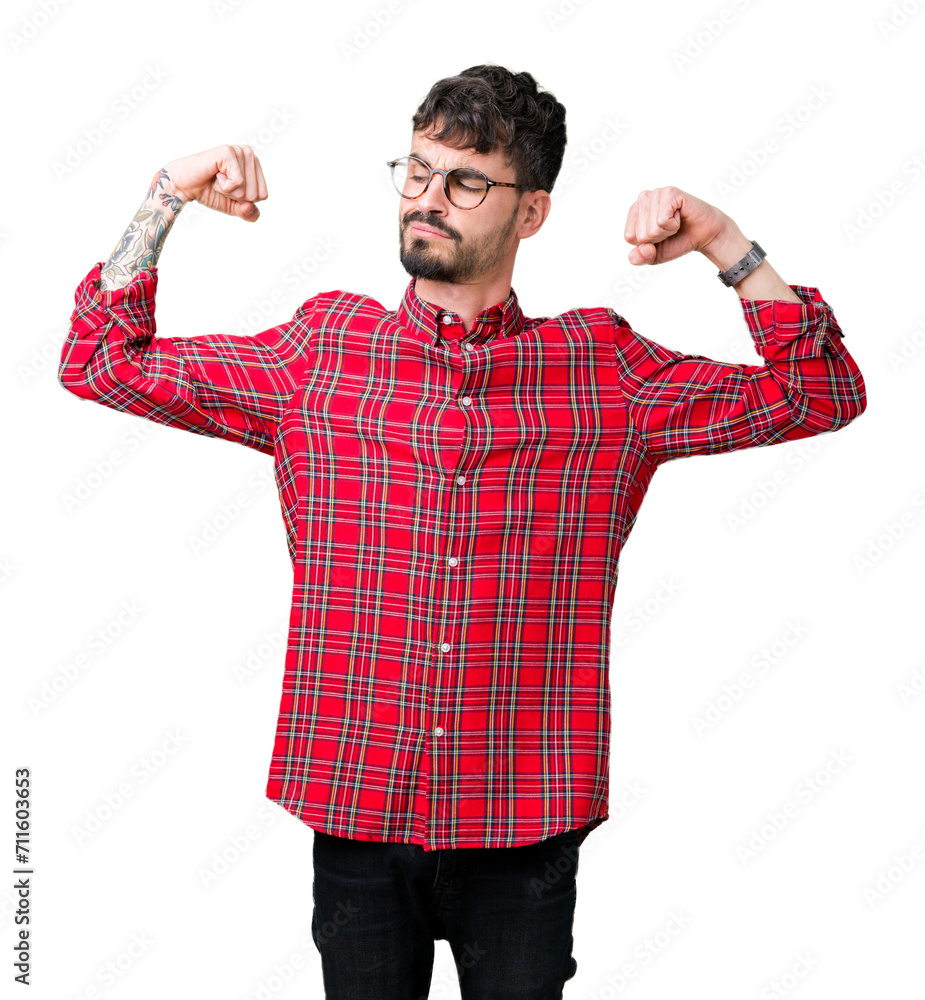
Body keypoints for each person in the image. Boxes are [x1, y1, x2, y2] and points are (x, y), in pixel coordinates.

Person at [58, 64, 867, 1000]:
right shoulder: (317, 355)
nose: (428, 199)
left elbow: (821, 394)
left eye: (466, 180)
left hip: (526, 826)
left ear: (530, 212)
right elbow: (97, 362)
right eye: (417, 170)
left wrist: (725, 244)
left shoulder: (604, 372)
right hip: (356, 812)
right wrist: (165, 198)